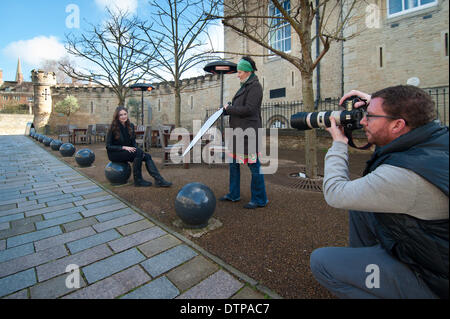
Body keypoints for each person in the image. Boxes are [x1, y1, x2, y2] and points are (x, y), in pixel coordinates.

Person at [310, 85, 448, 299]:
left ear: (397, 125)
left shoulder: (405, 176)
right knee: (361, 207)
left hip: (430, 277)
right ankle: (370, 268)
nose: (363, 121)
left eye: (370, 116)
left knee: (321, 262)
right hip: (429, 249)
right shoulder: (434, 139)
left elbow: (336, 193)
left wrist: (338, 144)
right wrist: (375, 102)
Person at [219, 56, 268, 209]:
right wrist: (227, 110)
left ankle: (260, 199)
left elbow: (249, 109)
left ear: (247, 71)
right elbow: (239, 108)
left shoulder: (255, 87)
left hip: (248, 135)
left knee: (254, 167)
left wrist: (230, 109)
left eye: (240, 71)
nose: (237, 74)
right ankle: (234, 194)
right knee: (233, 165)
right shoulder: (245, 86)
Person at [106, 106, 172, 188]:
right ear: (117, 116)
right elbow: (108, 146)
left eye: (125, 114)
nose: (123, 116)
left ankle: (159, 180)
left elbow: (133, 143)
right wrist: (123, 147)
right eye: (121, 115)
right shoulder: (112, 128)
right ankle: (138, 180)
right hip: (115, 153)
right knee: (138, 153)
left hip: (127, 152)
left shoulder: (130, 126)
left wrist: (140, 152)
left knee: (147, 156)